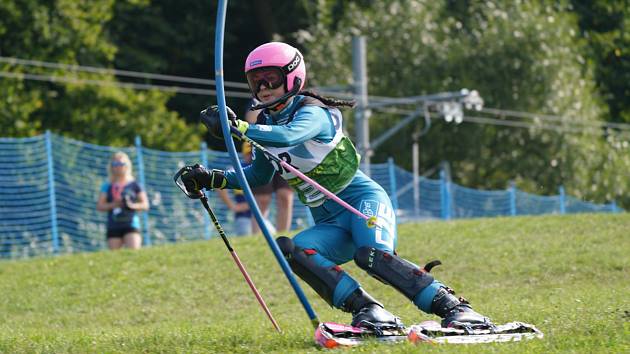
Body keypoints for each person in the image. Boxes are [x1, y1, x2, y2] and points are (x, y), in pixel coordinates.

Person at [181, 42, 492, 330]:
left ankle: (455, 309)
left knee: (372, 255)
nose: (263, 88)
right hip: (329, 221)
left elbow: (291, 136)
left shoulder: (313, 111)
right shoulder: (266, 124)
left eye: (271, 79)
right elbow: (257, 177)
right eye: (255, 81)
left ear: (292, 78)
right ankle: (369, 310)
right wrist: (211, 178)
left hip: (360, 202)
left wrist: (240, 128)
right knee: (293, 248)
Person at [243, 102, 295, 234]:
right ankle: (258, 236)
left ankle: (283, 235)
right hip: (261, 152)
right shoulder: (258, 98)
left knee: (285, 195)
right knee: (262, 199)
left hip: (284, 153)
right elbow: (251, 119)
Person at [97, 151, 149, 250]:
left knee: (134, 255)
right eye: (115, 164)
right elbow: (100, 206)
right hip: (113, 225)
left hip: (131, 224)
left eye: (121, 164)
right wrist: (114, 204)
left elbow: (145, 204)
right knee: (115, 259)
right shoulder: (107, 185)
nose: (118, 167)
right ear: (111, 167)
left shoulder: (135, 184)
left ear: (127, 166)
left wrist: (131, 206)